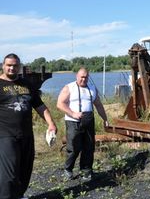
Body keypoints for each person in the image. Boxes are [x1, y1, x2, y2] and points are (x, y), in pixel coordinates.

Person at [0, 53, 57, 199]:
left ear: (19, 67)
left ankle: (19, 195)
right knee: (9, 173)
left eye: (15, 65)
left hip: (26, 134)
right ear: (3, 66)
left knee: (25, 168)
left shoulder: (26, 84)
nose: (12, 68)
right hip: (6, 135)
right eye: (9, 65)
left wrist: (51, 123)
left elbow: (40, 106)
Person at [57, 67, 108, 181]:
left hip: (89, 120)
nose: (83, 79)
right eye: (81, 77)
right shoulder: (69, 88)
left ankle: (86, 171)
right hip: (73, 121)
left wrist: (105, 119)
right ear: (77, 76)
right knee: (74, 147)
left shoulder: (92, 88)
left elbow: (98, 105)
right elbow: (60, 104)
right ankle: (68, 170)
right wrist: (73, 113)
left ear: (88, 77)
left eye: (86, 77)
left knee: (89, 147)